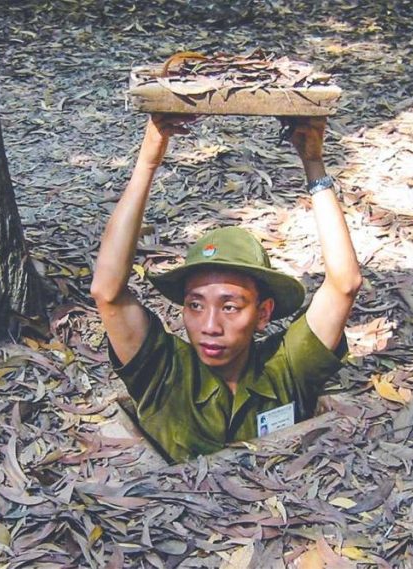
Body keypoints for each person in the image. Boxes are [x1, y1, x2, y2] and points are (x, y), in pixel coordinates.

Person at [90, 114, 361, 463]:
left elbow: (344, 283)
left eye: (230, 307)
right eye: (196, 305)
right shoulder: (163, 372)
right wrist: (147, 162)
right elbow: (107, 291)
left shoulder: (287, 368)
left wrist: (314, 165)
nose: (210, 326)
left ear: (263, 313)